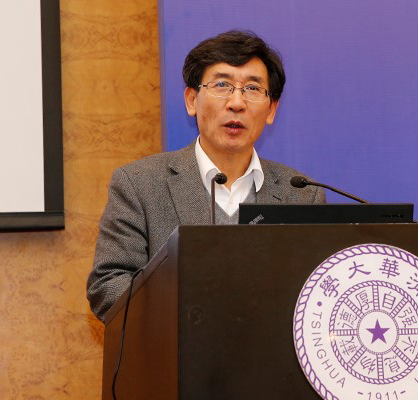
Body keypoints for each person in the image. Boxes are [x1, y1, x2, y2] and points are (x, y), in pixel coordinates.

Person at [87, 30, 325, 321]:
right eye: (222, 85)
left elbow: (316, 294)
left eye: (252, 88)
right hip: (176, 347)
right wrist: (193, 313)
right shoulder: (139, 184)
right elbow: (108, 285)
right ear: (191, 100)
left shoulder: (301, 194)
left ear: (271, 109)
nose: (236, 103)